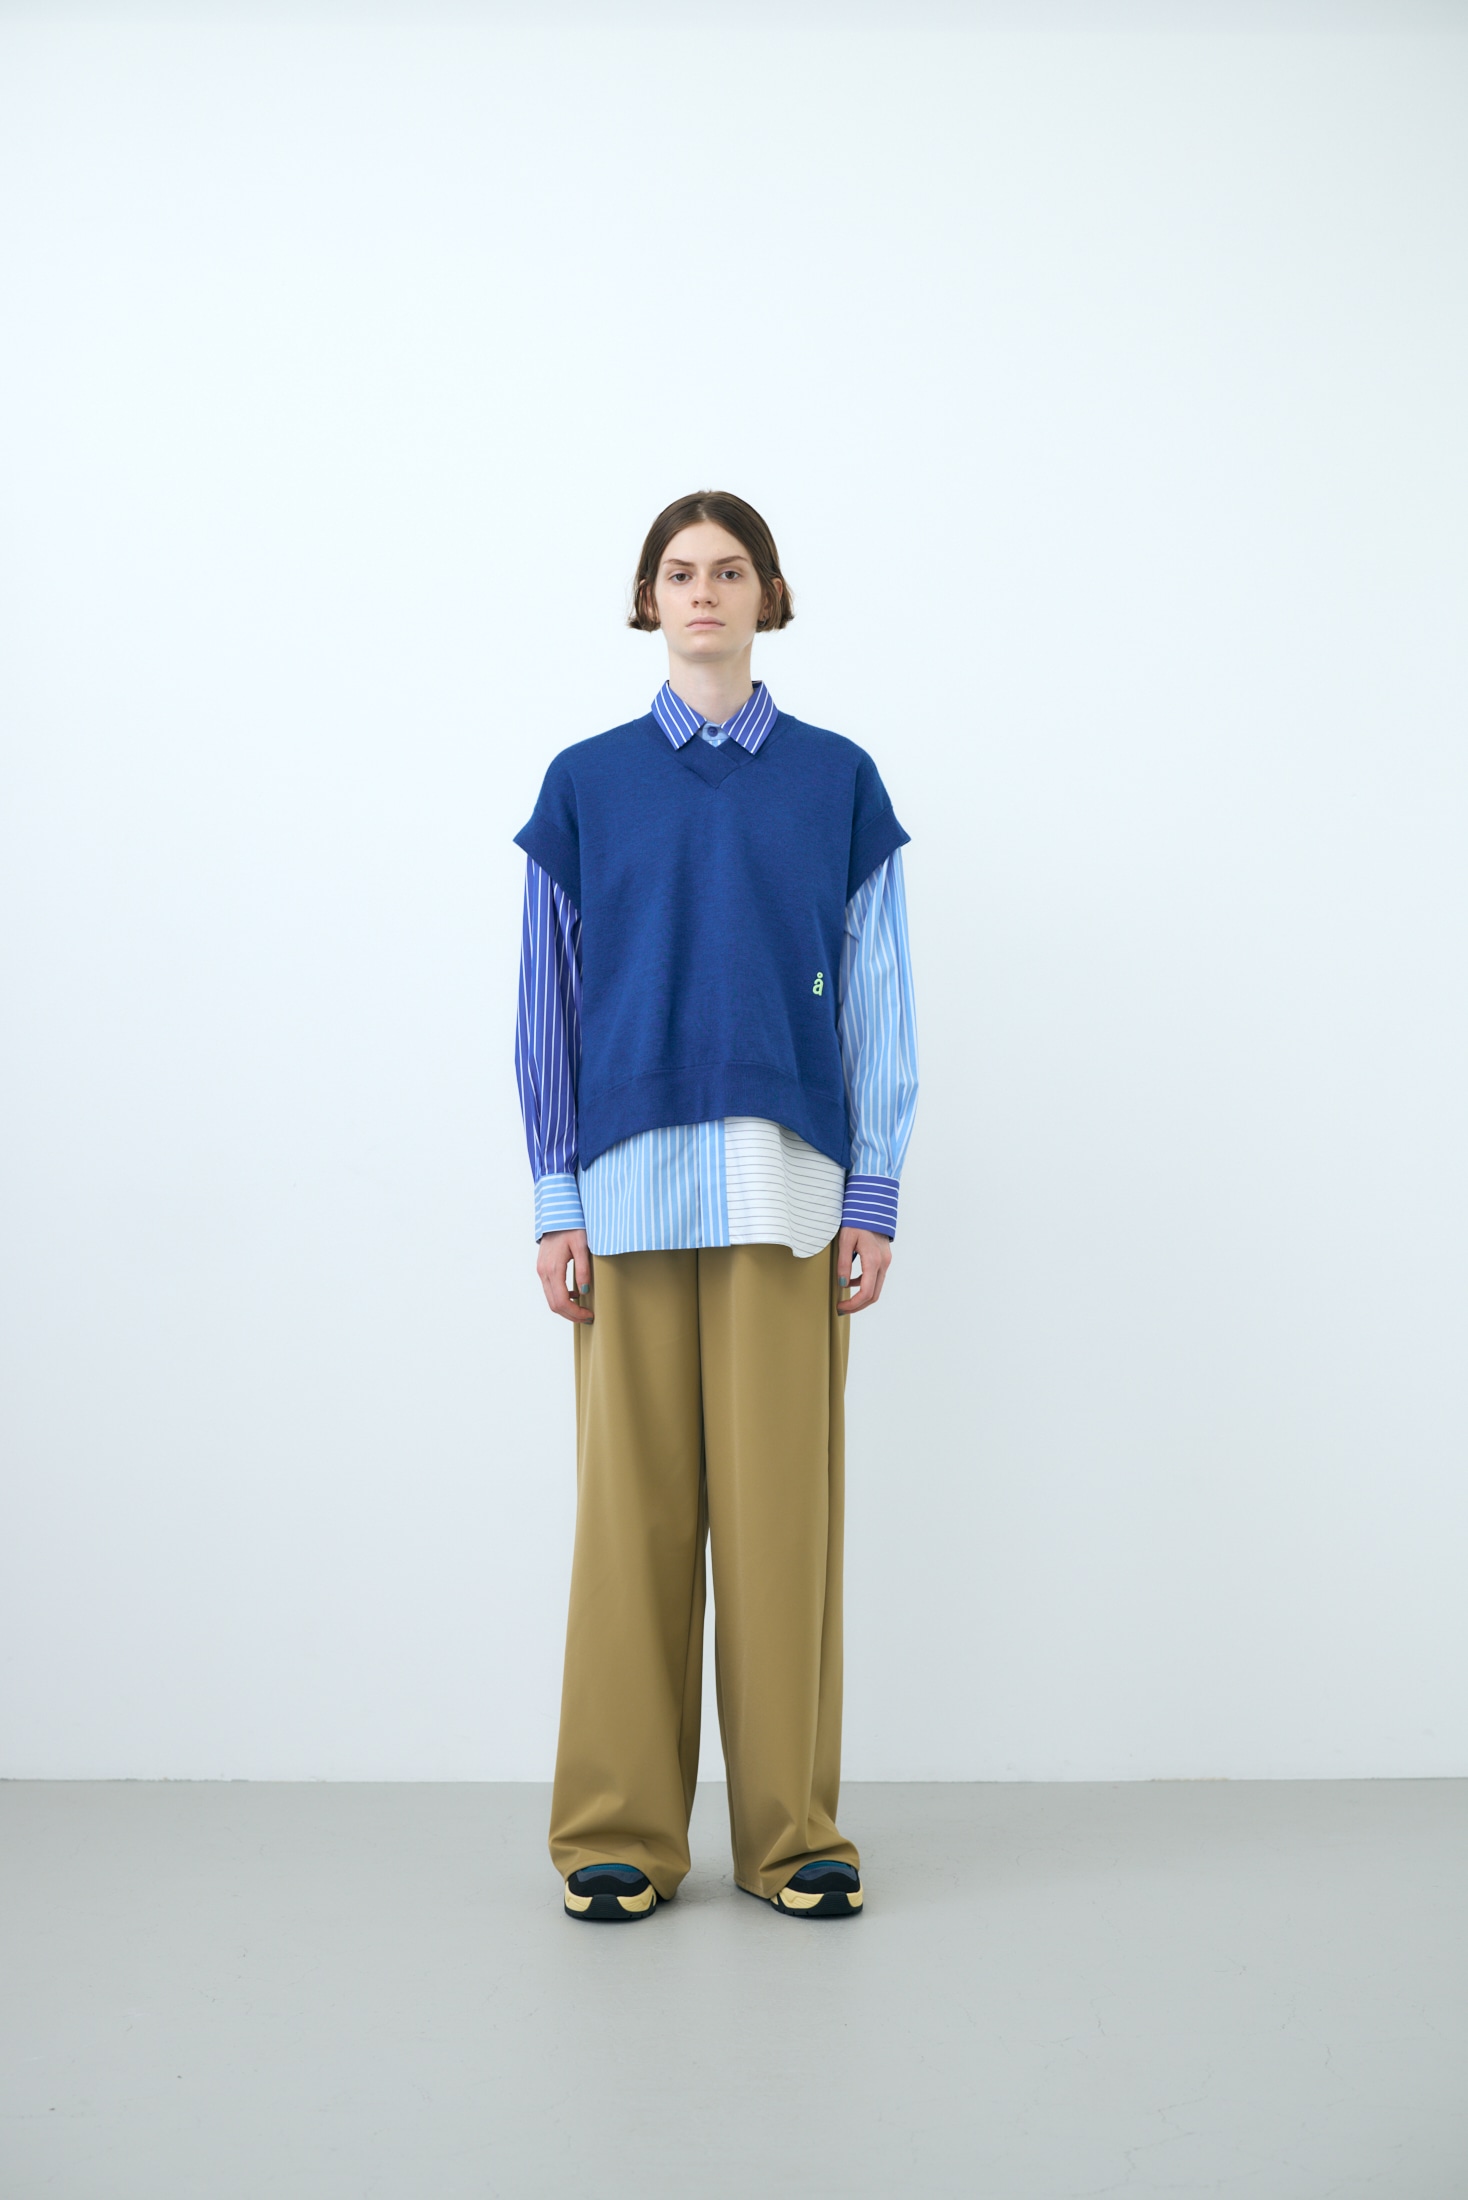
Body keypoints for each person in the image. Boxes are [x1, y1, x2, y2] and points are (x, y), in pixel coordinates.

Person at [513, 490, 918, 1922]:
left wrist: (874, 1191)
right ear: (648, 600)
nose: (704, 592)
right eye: (679, 572)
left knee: (781, 1531)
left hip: (790, 1198)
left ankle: (793, 1836)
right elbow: (548, 1003)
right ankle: (617, 1833)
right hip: (624, 1201)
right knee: (629, 1530)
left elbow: (878, 988)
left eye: (730, 570)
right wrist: (554, 1197)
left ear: (768, 596)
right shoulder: (585, 785)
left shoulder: (837, 782)